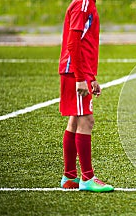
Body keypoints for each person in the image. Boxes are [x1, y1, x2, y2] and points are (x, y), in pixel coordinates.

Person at [58, 0, 113, 192]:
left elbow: (84, 44)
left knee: (75, 120)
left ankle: (69, 176)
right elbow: (73, 43)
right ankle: (87, 178)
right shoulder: (83, 4)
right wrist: (81, 79)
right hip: (75, 73)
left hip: (79, 72)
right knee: (87, 121)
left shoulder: (87, 3)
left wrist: (91, 78)